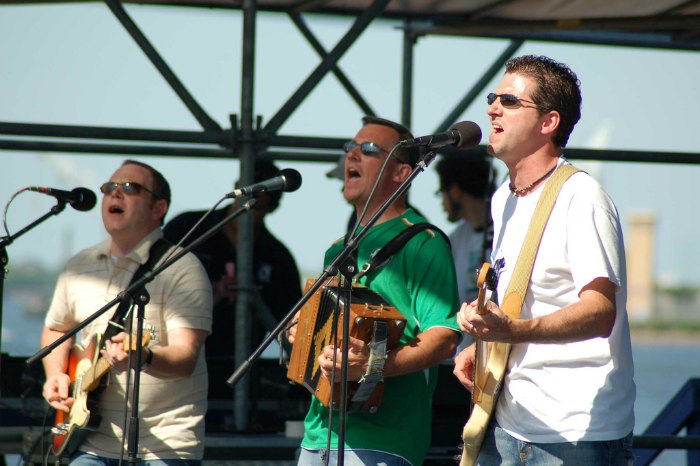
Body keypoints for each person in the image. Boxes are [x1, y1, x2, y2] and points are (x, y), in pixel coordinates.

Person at [453, 55, 635, 465]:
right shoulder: (504, 199)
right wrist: (481, 343)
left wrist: (513, 330)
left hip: (574, 434)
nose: (491, 108)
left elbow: (600, 310)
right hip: (506, 425)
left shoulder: (582, 197)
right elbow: (523, 299)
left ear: (549, 122)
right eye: (491, 98)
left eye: (509, 101)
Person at [289, 116, 462, 466]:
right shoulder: (337, 249)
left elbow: (444, 337)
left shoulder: (424, 244)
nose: (351, 155)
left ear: (401, 173)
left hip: (382, 439)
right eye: (349, 148)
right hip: (317, 435)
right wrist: (302, 334)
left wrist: (371, 365)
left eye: (367, 149)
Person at [41, 160, 213, 464]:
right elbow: (57, 328)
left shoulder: (183, 269)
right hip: (92, 440)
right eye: (109, 188)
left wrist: (144, 357)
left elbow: (186, 357)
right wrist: (56, 375)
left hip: (166, 444)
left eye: (130, 188)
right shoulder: (79, 265)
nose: (115, 194)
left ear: (158, 208)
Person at [163, 159, 302, 423]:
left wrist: (254, 300)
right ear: (237, 188)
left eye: (261, 204)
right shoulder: (189, 227)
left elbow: (291, 326)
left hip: (238, 375)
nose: (251, 208)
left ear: (272, 207)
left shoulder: (278, 257)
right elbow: (153, 284)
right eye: (248, 196)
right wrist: (209, 293)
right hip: (175, 361)